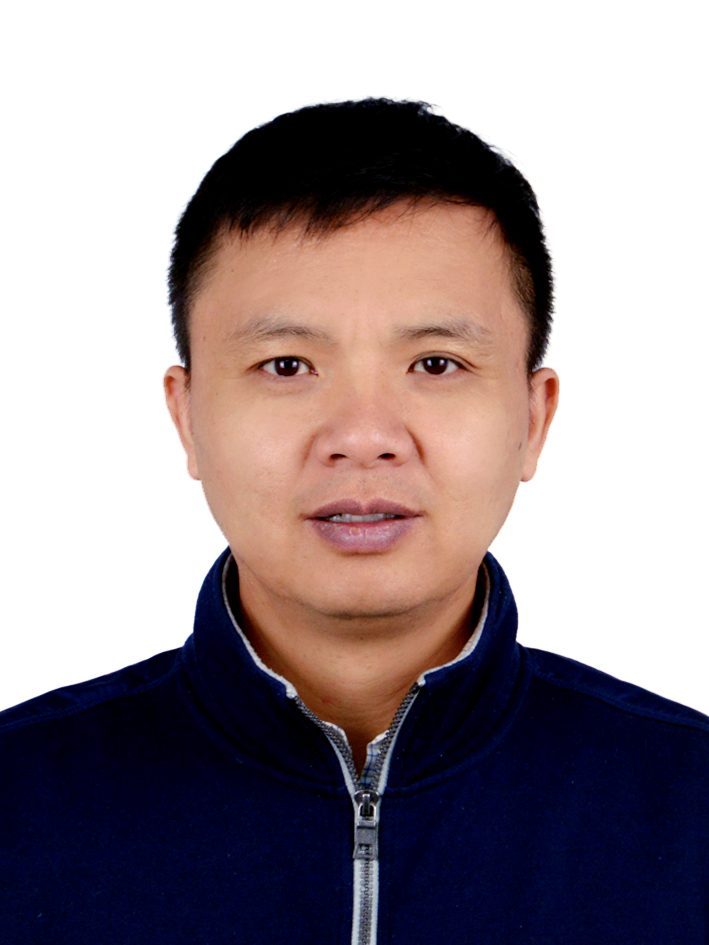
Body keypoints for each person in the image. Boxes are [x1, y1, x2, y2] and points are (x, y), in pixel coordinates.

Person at [1, 99, 707, 944]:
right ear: (187, 417)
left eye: (435, 363)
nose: (363, 436)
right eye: (286, 364)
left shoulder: (688, 805)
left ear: (532, 417)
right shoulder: (19, 803)